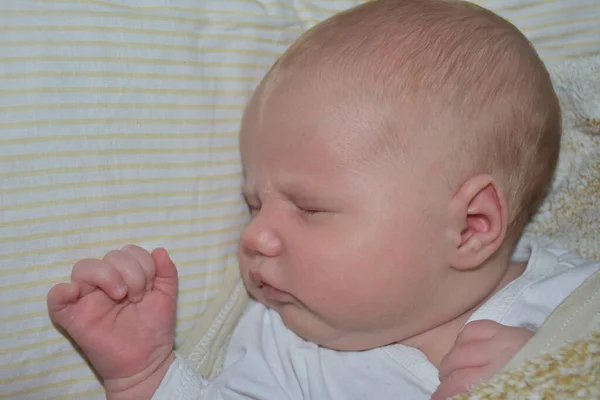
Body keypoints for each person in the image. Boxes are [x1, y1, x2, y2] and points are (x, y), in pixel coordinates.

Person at [46, 0, 600, 399]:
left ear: (471, 227)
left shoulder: (572, 304)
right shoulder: (286, 349)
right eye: (254, 205)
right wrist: (147, 376)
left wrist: (536, 376)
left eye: (308, 208)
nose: (255, 236)